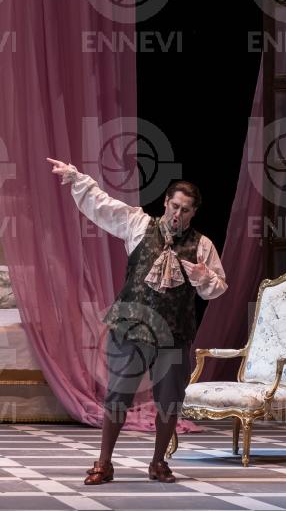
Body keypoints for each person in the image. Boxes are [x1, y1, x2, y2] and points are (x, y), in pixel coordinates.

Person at [47, 158, 228, 485]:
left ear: (193, 213)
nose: (178, 214)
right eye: (174, 206)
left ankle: (158, 462)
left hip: (174, 333)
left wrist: (204, 277)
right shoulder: (138, 224)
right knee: (117, 396)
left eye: (185, 210)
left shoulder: (202, 245)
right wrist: (76, 178)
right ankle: (104, 463)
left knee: (169, 402)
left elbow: (215, 289)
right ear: (165, 202)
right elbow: (103, 205)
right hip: (132, 326)